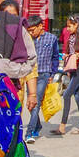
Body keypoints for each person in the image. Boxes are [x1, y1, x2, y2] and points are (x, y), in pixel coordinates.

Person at [56, 14, 79, 135]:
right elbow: (68, 50)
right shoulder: (71, 36)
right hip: (72, 67)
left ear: (77, 24)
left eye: (70, 26)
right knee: (77, 97)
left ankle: (62, 126)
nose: (68, 29)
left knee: (66, 95)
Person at [23, 15, 59, 144]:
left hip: (44, 75)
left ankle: (29, 133)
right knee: (31, 104)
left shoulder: (52, 38)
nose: (31, 33)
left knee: (36, 102)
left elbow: (55, 57)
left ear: (40, 26)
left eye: (33, 30)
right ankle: (37, 126)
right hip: (30, 74)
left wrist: (52, 74)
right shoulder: (27, 39)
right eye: (29, 31)